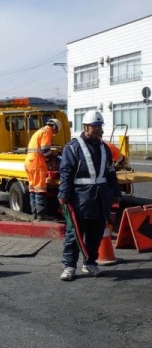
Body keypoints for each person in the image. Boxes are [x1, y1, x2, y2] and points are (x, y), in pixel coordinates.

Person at [58, 110, 122, 281]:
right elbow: (66, 172)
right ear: (85, 127)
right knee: (74, 234)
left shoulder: (104, 148)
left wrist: (116, 192)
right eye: (95, 126)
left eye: (100, 126)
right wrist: (63, 194)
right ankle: (69, 266)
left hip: (101, 199)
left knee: (96, 234)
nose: (99, 130)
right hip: (80, 199)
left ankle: (90, 263)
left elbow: (110, 172)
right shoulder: (72, 147)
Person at [25, 118, 62, 221]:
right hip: (37, 163)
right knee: (40, 189)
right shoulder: (46, 132)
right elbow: (45, 149)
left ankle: (35, 214)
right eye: (55, 131)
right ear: (54, 127)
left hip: (29, 162)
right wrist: (51, 160)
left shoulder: (39, 131)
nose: (54, 133)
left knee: (33, 189)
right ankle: (41, 215)